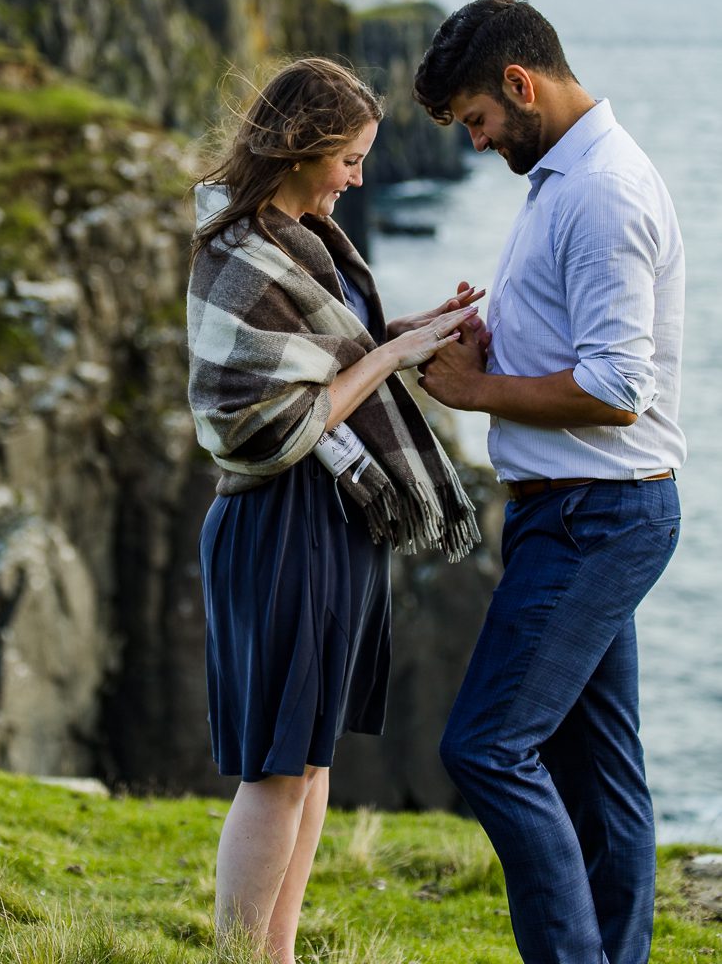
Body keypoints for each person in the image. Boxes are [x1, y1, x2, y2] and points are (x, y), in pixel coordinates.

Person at [187, 56, 481, 962]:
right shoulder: (238, 251)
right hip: (279, 522)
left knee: (309, 760)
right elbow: (269, 420)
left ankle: (275, 954)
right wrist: (390, 362)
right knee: (277, 769)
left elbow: (324, 357)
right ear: (302, 148)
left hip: (333, 519)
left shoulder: (305, 238)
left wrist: (406, 332)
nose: (358, 177)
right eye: (349, 159)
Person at [412, 0, 686, 964]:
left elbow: (616, 388)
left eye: (479, 121)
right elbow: (581, 348)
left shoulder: (601, 191)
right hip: (578, 514)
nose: (479, 143)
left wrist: (479, 386)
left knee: (484, 744)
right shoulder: (564, 180)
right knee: (598, 773)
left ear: (520, 83)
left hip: (594, 518)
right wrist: (493, 342)